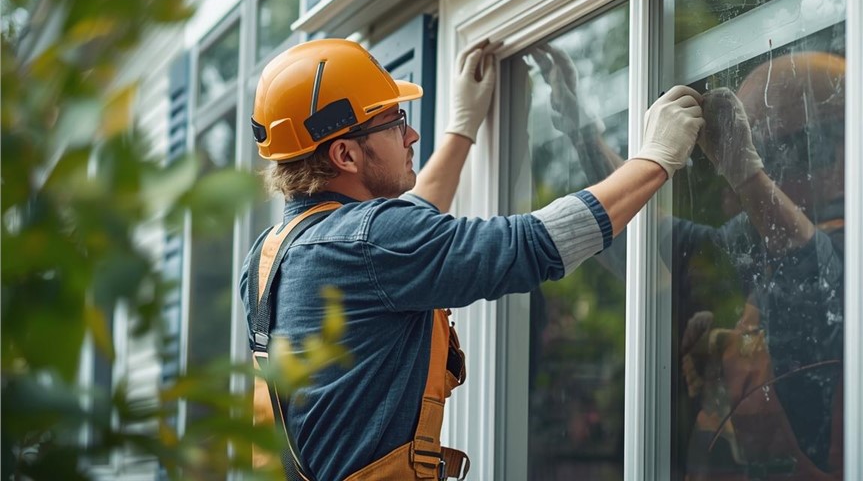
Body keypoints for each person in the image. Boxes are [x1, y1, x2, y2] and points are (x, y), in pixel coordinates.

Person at [239, 37, 704, 480]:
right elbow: (532, 245)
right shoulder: (371, 242)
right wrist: (655, 159)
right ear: (345, 154)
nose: (411, 134)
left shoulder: (270, 255)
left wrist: (461, 129)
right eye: (395, 122)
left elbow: (406, 234)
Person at [533, 46, 845, 480]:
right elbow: (638, 229)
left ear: (830, 152)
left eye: (769, 147)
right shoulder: (746, 242)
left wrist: (746, 173)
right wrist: (583, 132)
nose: (730, 179)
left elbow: (815, 272)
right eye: (747, 143)